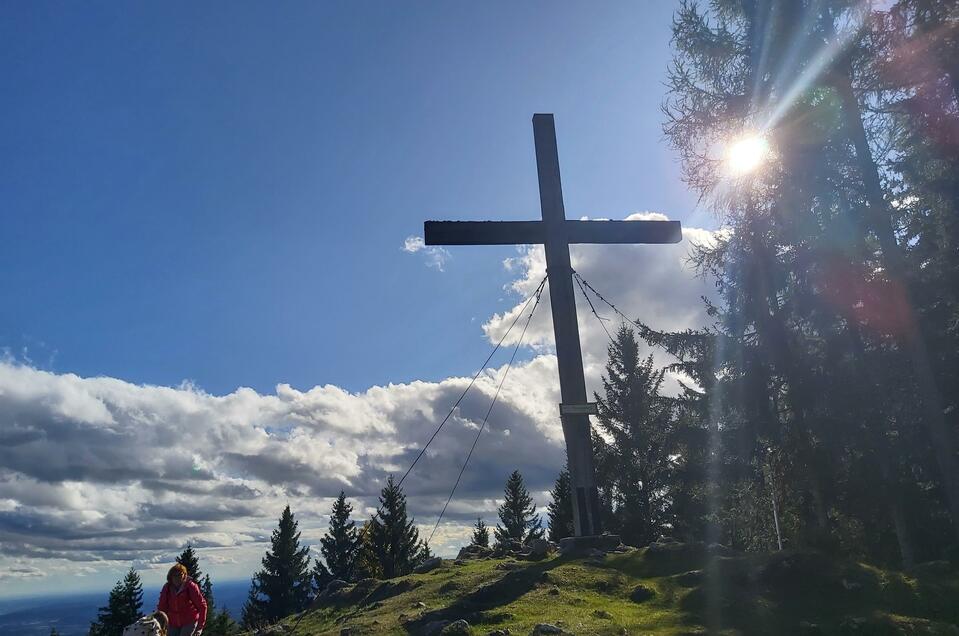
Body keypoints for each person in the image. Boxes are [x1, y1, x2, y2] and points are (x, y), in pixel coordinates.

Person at [157, 564, 207, 636]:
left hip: (189, 621)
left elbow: (202, 606)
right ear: (170, 576)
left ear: (185, 575)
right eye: (174, 575)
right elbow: (162, 608)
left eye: (180, 574)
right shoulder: (167, 588)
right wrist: (160, 624)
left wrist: (199, 628)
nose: (177, 577)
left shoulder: (190, 586)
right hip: (172, 622)